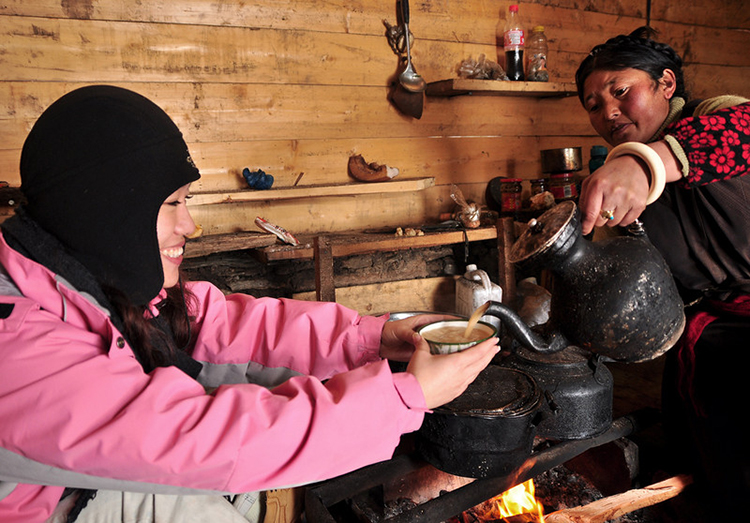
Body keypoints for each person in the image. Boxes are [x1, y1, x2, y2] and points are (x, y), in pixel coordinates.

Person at [0, 85, 500, 523]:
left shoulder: (86, 284)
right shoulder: (16, 349)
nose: (190, 226)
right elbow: (202, 439)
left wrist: (369, 336)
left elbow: (229, 324)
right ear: (106, 214)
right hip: (52, 507)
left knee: (267, 388)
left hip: (83, 483)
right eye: (173, 203)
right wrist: (405, 398)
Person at [575, 27, 750, 517]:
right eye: (592, 104)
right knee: (711, 463)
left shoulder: (715, 116)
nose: (607, 111)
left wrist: (649, 162)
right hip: (708, 333)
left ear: (666, 85)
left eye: (620, 90)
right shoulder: (617, 181)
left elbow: (745, 131)